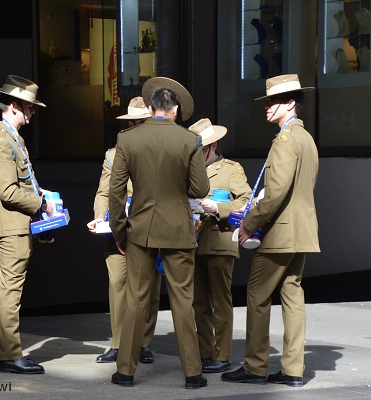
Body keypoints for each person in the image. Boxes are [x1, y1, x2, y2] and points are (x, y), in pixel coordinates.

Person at [108, 77, 210, 389]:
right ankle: (192, 374)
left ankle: (125, 372)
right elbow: (200, 189)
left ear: (151, 109)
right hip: (178, 229)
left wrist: (119, 231)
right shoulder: (189, 140)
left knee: (135, 300)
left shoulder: (127, 140)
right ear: (175, 109)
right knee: (183, 301)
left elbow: (115, 193)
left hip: (139, 229)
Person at [221, 74, 320, 387]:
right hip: (302, 230)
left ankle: (255, 366)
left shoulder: (286, 140)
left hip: (281, 232)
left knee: (257, 294)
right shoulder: (306, 138)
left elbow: (275, 192)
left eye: (273, 101)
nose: (267, 107)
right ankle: (293, 370)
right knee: (292, 295)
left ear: (290, 103)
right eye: (266, 102)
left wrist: (249, 224)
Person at [0, 75, 53, 374]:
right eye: (29, 106)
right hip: (13, 227)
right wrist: (42, 204)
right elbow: (8, 191)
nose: (33, 112)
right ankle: (10, 355)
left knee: (6, 290)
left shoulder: (10, 138)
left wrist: (40, 193)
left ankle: (1, 352)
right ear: (14, 106)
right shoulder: (3, 141)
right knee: (11, 292)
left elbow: (20, 184)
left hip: (14, 225)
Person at [87, 97, 161, 364]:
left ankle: (144, 343)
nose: (136, 126)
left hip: (150, 226)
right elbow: (103, 193)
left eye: (142, 121)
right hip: (117, 228)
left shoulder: (159, 150)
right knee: (118, 285)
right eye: (133, 122)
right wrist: (99, 219)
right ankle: (119, 344)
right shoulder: (113, 154)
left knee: (149, 288)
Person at [188, 118, 252, 374]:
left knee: (220, 299)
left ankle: (222, 354)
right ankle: (205, 352)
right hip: (193, 240)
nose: (197, 155)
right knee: (199, 300)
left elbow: (247, 201)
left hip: (220, 238)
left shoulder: (230, 169)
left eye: (201, 149)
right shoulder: (188, 168)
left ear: (213, 146)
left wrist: (219, 207)